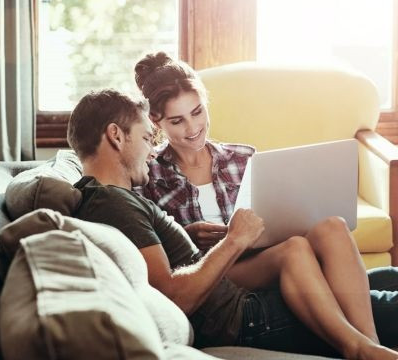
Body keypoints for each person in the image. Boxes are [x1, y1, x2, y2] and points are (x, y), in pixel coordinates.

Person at [68, 88, 398, 359]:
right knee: (382, 302)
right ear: (115, 136)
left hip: (240, 296)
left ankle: (366, 346)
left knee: (374, 269)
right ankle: (364, 348)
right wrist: (234, 239)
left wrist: (196, 235)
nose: (150, 151)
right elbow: (175, 296)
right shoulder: (113, 202)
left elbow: (170, 268)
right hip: (246, 316)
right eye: (145, 137)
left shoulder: (108, 199)